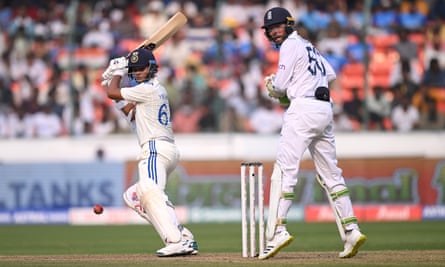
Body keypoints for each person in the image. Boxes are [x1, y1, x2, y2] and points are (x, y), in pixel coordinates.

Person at [259, 7, 367, 260]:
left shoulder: (289, 45)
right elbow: (330, 74)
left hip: (303, 109)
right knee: (331, 173)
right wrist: (298, 83)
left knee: (285, 170)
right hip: (324, 109)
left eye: (277, 26)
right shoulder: (308, 46)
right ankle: (351, 230)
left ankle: (278, 230)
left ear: (288, 24)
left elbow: (281, 85)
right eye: (270, 29)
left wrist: (272, 88)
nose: (274, 32)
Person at [102, 48, 198, 257]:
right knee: (134, 196)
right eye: (134, 69)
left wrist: (116, 73)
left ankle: (174, 240)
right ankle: (182, 234)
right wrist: (115, 88)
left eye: (141, 68)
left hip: (155, 148)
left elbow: (112, 91)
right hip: (164, 148)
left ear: (151, 68)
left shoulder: (148, 89)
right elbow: (130, 113)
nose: (137, 72)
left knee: (150, 191)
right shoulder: (150, 91)